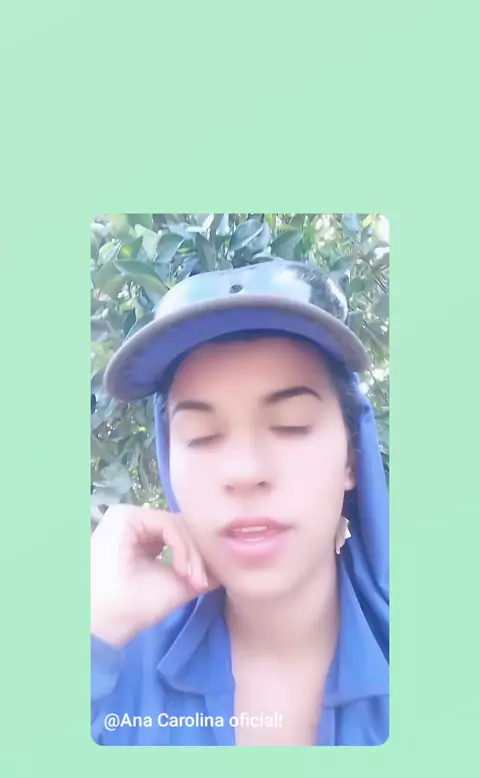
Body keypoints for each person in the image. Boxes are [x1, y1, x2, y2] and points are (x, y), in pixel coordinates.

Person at [91, 259, 389, 746]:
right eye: (201, 435)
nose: (245, 472)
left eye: (291, 425)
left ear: (352, 458)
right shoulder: (110, 668)